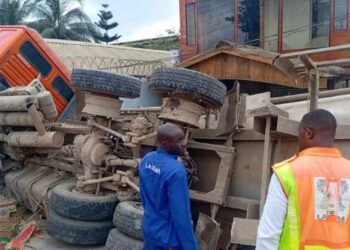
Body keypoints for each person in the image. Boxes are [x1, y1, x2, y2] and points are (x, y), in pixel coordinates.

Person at [256, 109, 350, 249]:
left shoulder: (286, 172)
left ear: (308, 133)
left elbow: (268, 235)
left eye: (298, 133)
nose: (298, 138)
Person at [139, 123, 198, 250]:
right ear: (165, 144)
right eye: (179, 140)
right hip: (168, 240)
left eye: (183, 138)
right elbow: (181, 214)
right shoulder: (176, 171)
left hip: (150, 230)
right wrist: (191, 246)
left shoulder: (146, 160)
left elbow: (144, 197)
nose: (184, 143)